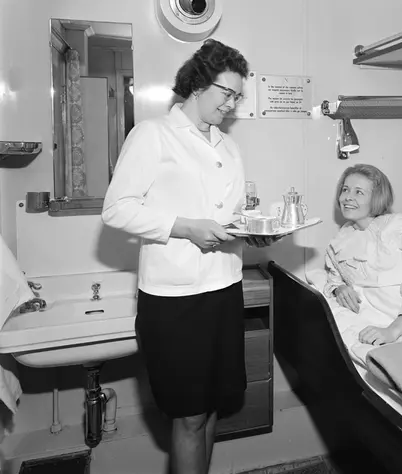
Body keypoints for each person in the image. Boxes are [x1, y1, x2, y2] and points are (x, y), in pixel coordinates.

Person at [102, 39, 275, 474]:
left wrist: (250, 232)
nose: (232, 105)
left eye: (238, 97)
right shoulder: (153, 135)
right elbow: (117, 209)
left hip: (224, 289)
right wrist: (185, 227)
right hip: (175, 300)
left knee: (213, 406)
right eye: (227, 93)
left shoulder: (228, 147)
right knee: (190, 416)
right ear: (198, 85)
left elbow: (229, 215)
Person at [324, 164, 402, 346]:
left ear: (377, 198)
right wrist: (340, 288)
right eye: (345, 189)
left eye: (359, 192)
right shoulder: (341, 238)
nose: (348, 197)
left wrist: (393, 331)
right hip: (368, 317)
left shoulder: (398, 225)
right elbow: (333, 278)